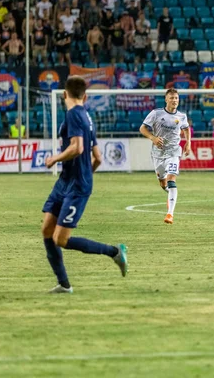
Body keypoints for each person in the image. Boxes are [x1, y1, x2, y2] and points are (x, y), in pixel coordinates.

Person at [41, 75, 128, 294]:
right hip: (67, 182)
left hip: (76, 185)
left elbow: (78, 148)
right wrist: (84, 174)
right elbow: (97, 157)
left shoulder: (73, 115)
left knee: (61, 239)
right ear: (85, 96)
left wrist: (54, 158)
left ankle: (114, 251)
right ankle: (64, 284)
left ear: (64, 94)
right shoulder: (87, 117)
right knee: (47, 230)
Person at [139, 88, 191, 224]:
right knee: (163, 183)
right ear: (166, 99)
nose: (174, 100)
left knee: (171, 179)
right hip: (158, 153)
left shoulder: (181, 116)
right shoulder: (156, 113)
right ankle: (170, 196)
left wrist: (188, 143)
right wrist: (153, 137)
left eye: (176, 98)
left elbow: (186, 128)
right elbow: (142, 128)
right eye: (172, 98)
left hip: (174, 152)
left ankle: (170, 214)